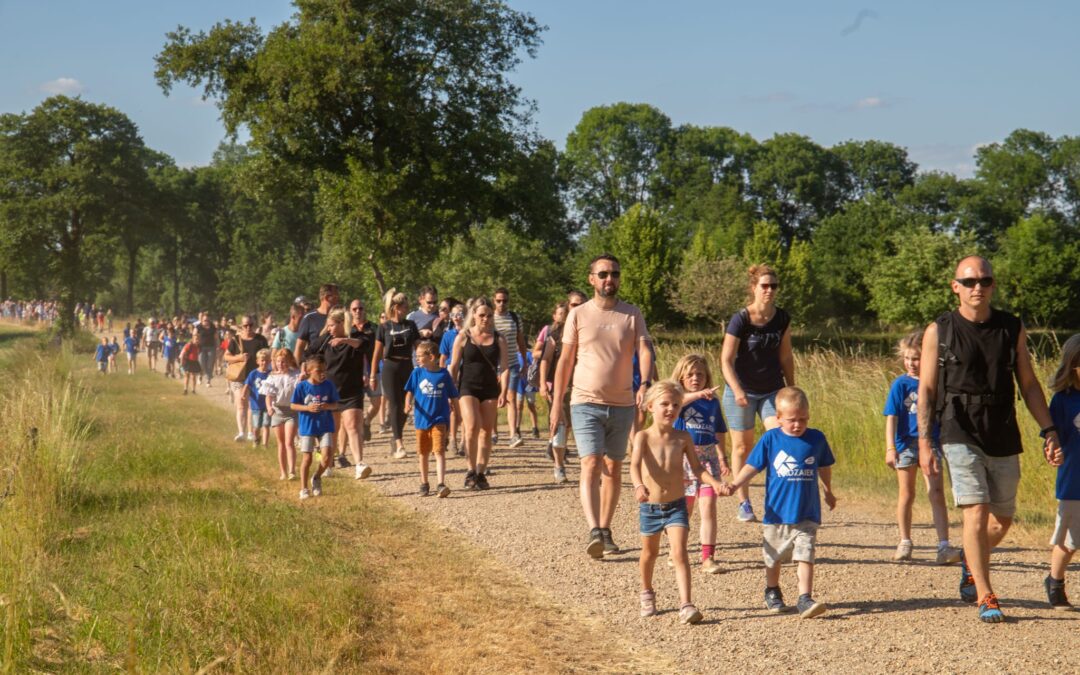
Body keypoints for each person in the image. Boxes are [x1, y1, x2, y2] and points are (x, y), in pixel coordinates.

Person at [917, 255, 1061, 623]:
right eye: (969, 282)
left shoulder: (1011, 327)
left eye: (984, 280)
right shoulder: (940, 330)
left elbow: (1028, 383)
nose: (977, 287)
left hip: (1002, 427)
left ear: (993, 285)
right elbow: (927, 389)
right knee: (976, 512)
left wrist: (1049, 429)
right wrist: (924, 442)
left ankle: (970, 560)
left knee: (1003, 519)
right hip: (958, 428)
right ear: (956, 287)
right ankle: (986, 594)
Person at [550, 253, 653, 559]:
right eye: (604, 274)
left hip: (622, 403)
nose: (610, 279)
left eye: (615, 274)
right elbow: (565, 361)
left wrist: (645, 384)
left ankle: (605, 530)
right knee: (591, 462)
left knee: (613, 467)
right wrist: (556, 403)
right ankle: (594, 529)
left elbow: (644, 349)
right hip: (585, 401)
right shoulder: (578, 315)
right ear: (591, 279)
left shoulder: (631, 314)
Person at [722, 386, 836, 619]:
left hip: (807, 512)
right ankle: (772, 590)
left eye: (803, 419)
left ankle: (805, 598)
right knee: (773, 557)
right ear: (779, 418)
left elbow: (824, 466)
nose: (797, 424)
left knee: (806, 553)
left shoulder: (816, 438)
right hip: (777, 513)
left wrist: (828, 490)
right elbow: (752, 466)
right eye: (792, 420)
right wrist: (735, 484)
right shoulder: (771, 439)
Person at [631, 380, 727, 625]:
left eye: (676, 404)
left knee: (680, 553)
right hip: (651, 506)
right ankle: (646, 592)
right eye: (664, 404)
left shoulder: (683, 437)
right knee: (649, 553)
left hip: (676, 505)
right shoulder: (643, 437)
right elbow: (634, 466)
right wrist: (639, 486)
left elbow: (697, 468)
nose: (670, 409)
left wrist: (715, 483)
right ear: (650, 406)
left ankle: (686, 604)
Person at [720, 264, 794, 523]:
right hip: (741, 390)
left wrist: (792, 390)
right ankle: (744, 502)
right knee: (742, 446)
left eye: (774, 286)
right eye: (765, 286)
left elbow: (786, 356)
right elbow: (726, 360)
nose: (769, 290)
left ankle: (778, 500)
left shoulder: (782, 318)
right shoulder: (741, 319)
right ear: (754, 288)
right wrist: (737, 390)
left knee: (779, 439)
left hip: (772, 389)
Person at [883, 330, 960, 564]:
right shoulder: (900, 384)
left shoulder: (936, 383)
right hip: (906, 445)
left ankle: (943, 545)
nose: (911, 363)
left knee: (936, 493)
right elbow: (891, 417)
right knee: (906, 494)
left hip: (932, 443)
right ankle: (904, 541)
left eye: (916, 358)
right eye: (907, 358)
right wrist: (890, 448)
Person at [672, 354, 730, 575]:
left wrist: (722, 457)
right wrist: (696, 395)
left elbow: (719, 431)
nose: (695, 378)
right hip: (683, 459)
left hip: (708, 459)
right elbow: (677, 402)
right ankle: (676, 550)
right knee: (684, 510)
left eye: (700, 375)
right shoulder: (677, 399)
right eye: (690, 375)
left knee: (708, 507)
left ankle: (708, 557)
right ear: (681, 378)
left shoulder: (712, 402)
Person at [449, 297, 509, 490]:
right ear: (473, 315)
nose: (485, 319)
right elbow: (454, 366)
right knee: (472, 426)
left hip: (490, 389)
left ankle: (481, 473)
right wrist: (450, 391)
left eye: (489, 315)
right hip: (467, 387)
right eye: (482, 315)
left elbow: (505, 368)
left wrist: (504, 391)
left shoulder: (499, 339)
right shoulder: (463, 336)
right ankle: (470, 471)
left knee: (486, 431)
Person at [308, 308, 372, 480]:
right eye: (328, 325)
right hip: (330, 392)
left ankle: (359, 464)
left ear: (342, 323)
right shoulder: (325, 340)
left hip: (352, 391)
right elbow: (310, 353)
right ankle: (327, 464)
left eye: (332, 325)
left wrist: (344, 340)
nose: (329, 329)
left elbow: (365, 345)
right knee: (332, 430)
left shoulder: (357, 336)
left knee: (353, 425)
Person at [1045, 334, 1079, 610]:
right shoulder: (1062, 400)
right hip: (1074, 482)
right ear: (1073, 366)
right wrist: (1052, 450)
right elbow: (1051, 437)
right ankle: (1055, 581)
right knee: (1070, 541)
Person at [370, 289, 420, 460]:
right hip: (390, 367)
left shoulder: (410, 325)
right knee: (395, 404)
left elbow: (418, 346)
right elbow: (377, 353)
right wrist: (372, 374)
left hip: (407, 365)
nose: (407, 308)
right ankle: (399, 443)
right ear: (396, 307)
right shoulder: (384, 327)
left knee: (406, 404)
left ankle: (396, 436)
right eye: (404, 306)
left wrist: (426, 360)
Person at [404, 340, 459, 498]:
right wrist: (407, 404)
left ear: (432, 357)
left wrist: (458, 412)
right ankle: (424, 483)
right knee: (423, 452)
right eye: (416, 356)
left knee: (439, 451)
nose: (417, 359)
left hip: (439, 419)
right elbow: (410, 391)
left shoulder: (444, 374)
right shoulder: (417, 373)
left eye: (420, 356)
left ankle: (441, 484)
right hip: (422, 420)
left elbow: (453, 395)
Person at [539, 299, 581, 484]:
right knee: (560, 425)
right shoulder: (555, 334)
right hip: (560, 385)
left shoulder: (587, 331)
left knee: (571, 425)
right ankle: (559, 466)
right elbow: (545, 359)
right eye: (573, 305)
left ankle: (557, 449)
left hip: (582, 385)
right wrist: (542, 383)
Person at [291, 354, 341, 500]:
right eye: (319, 370)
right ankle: (304, 488)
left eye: (324, 370)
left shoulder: (329, 385)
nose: (322, 373)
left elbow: (336, 404)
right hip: (308, 427)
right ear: (308, 371)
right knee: (307, 458)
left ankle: (317, 477)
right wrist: (307, 408)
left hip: (325, 425)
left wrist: (327, 406)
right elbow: (293, 405)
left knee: (327, 457)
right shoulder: (302, 386)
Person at [224, 316, 270, 442]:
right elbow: (226, 356)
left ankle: (250, 432)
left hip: (255, 377)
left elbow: (267, 355)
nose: (248, 327)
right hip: (239, 376)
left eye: (251, 325)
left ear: (254, 325)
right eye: (245, 325)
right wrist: (239, 358)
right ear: (241, 326)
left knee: (251, 405)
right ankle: (241, 432)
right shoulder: (236, 340)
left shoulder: (260, 340)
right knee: (241, 403)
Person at [492, 288, 527, 448]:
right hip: (493, 365)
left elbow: (521, 341)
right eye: (499, 300)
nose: (502, 303)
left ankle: (513, 434)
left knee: (511, 397)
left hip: (512, 363)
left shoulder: (514, 317)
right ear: (494, 301)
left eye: (505, 300)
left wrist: (524, 362)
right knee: (493, 398)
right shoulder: (489, 317)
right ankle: (493, 433)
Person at [264, 348, 301, 481]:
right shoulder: (272, 377)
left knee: (289, 442)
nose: (281, 364)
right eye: (278, 361)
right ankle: (283, 472)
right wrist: (269, 407)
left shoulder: (296, 375)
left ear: (289, 361)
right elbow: (268, 396)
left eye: (284, 361)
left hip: (291, 411)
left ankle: (292, 471)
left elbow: (300, 389)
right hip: (277, 412)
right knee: (281, 443)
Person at [347, 299, 378, 443]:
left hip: (373, 369)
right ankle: (357, 434)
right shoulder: (347, 329)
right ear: (350, 311)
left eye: (360, 308)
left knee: (376, 403)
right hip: (353, 371)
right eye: (354, 309)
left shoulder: (373, 327)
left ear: (364, 310)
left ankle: (367, 420)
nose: (358, 311)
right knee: (355, 406)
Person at [439, 303, 466, 456]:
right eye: (453, 314)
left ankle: (464, 441)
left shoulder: (469, 333)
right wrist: (441, 375)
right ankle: (453, 439)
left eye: (460, 314)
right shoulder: (448, 335)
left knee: (465, 406)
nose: (456, 317)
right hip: (451, 371)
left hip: (466, 371)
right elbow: (443, 357)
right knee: (454, 407)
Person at [294, 284, 341, 368]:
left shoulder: (341, 317)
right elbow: (299, 347)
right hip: (316, 368)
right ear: (327, 297)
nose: (338, 299)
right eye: (336, 296)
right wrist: (298, 369)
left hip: (336, 368)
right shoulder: (309, 318)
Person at [242, 348, 273, 447]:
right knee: (256, 426)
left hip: (267, 405)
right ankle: (256, 440)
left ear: (270, 361)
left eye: (266, 360)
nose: (264, 363)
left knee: (266, 424)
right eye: (262, 360)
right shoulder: (253, 373)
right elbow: (247, 384)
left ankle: (265, 445)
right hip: (256, 404)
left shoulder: (271, 374)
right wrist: (243, 395)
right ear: (257, 361)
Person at [516, 348, 540, 440]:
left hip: (529, 383)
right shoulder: (515, 355)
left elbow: (534, 366)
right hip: (519, 383)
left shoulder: (529, 354)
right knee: (519, 406)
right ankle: (517, 428)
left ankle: (535, 428)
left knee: (531, 405)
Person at [195, 314, 218, 387]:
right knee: (201, 363)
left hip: (211, 347)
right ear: (202, 321)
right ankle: (200, 374)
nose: (206, 322)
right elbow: (194, 335)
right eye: (205, 320)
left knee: (210, 364)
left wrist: (218, 347)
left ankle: (208, 380)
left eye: (208, 320)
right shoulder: (199, 327)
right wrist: (195, 342)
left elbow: (216, 337)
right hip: (201, 348)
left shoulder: (213, 327)